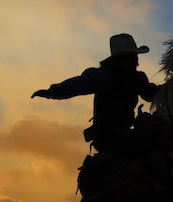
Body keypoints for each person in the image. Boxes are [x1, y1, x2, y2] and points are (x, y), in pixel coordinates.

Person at [32, 33, 161, 155]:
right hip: (106, 137)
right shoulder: (104, 76)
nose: (137, 63)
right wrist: (52, 92)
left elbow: (151, 94)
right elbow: (76, 85)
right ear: (122, 60)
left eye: (136, 58)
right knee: (148, 147)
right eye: (133, 59)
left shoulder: (137, 79)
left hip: (126, 132)